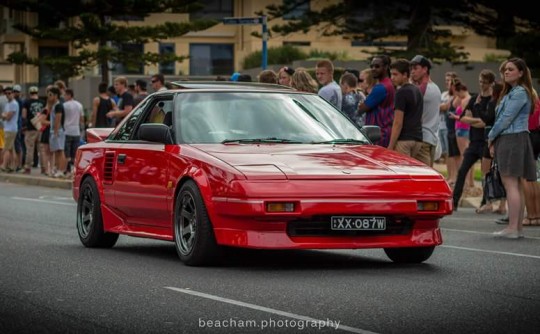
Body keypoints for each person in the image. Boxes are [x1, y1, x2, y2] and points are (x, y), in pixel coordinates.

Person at [488, 58, 537, 239]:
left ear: (521, 72)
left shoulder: (519, 93)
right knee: (515, 185)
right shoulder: (515, 92)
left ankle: (512, 228)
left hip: (512, 138)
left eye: (510, 69)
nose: (506, 72)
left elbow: (505, 119)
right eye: (505, 70)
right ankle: (516, 228)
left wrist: (491, 136)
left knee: (511, 185)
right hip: (514, 138)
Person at [450, 71, 496, 210]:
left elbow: (486, 122)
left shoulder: (492, 101)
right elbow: (463, 117)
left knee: (485, 173)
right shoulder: (475, 98)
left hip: (486, 142)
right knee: (462, 170)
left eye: (485, 82)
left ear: (491, 83)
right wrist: (476, 120)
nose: (482, 84)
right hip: (474, 141)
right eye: (480, 81)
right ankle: (455, 202)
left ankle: (484, 202)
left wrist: (475, 120)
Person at [387, 58, 424, 160]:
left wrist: (390, 146)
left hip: (404, 139)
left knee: (402, 172)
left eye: (395, 74)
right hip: (417, 139)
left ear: (405, 75)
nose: (392, 78)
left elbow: (398, 122)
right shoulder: (417, 90)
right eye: (391, 74)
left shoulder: (401, 92)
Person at [410, 55, 441, 167]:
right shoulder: (435, 87)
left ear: (425, 69)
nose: (412, 72)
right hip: (430, 137)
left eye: (415, 68)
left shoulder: (424, 88)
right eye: (411, 69)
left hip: (422, 138)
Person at [357, 55, 395, 147]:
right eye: (372, 66)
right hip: (386, 132)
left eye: (377, 66)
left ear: (386, 67)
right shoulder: (391, 84)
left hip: (378, 134)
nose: (373, 69)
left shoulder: (381, 88)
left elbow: (361, 109)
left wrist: (360, 104)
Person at [21, 86, 45, 174]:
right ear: (37, 93)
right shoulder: (42, 102)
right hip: (40, 128)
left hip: (30, 128)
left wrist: (24, 126)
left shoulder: (26, 102)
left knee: (29, 149)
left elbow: (24, 115)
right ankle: (44, 168)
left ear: (29, 93)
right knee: (41, 149)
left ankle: (28, 168)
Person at [62, 88, 84, 175]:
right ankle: (74, 170)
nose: (64, 97)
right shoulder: (79, 105)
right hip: (76, 131)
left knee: (66, 152)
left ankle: (66, 169)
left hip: (67, 130)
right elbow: (82, 118)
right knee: (75, 152)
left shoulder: (64, 105)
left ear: (69, 95)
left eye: (65, 95)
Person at [0, 86, 19, 172]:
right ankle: (12, 166)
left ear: (13, 94)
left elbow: (8, 117)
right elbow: (4, 115)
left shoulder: (14, 104)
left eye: (9, 93)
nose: (8, 95)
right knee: (11, 149)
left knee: (6, 148)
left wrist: (4, 116)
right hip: (7, 128)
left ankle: (4, 165)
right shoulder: (8, 104)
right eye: (6, 93)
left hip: (11, 128)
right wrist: (4, 115)